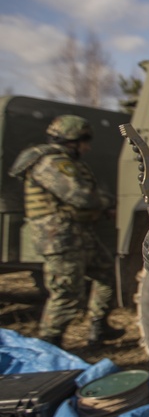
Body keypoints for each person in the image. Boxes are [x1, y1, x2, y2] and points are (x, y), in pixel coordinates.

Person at [8, 114, 121, 348]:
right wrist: (107, 202)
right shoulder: (50, 163)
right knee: (67, 291)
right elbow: (79, 196)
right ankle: (50, 342)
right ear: (72, 140)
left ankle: (98, 328)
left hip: (78, 234)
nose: (87, 148)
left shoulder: (65, 161)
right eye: (84, 141)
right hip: (59, 237)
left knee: (106, 273)